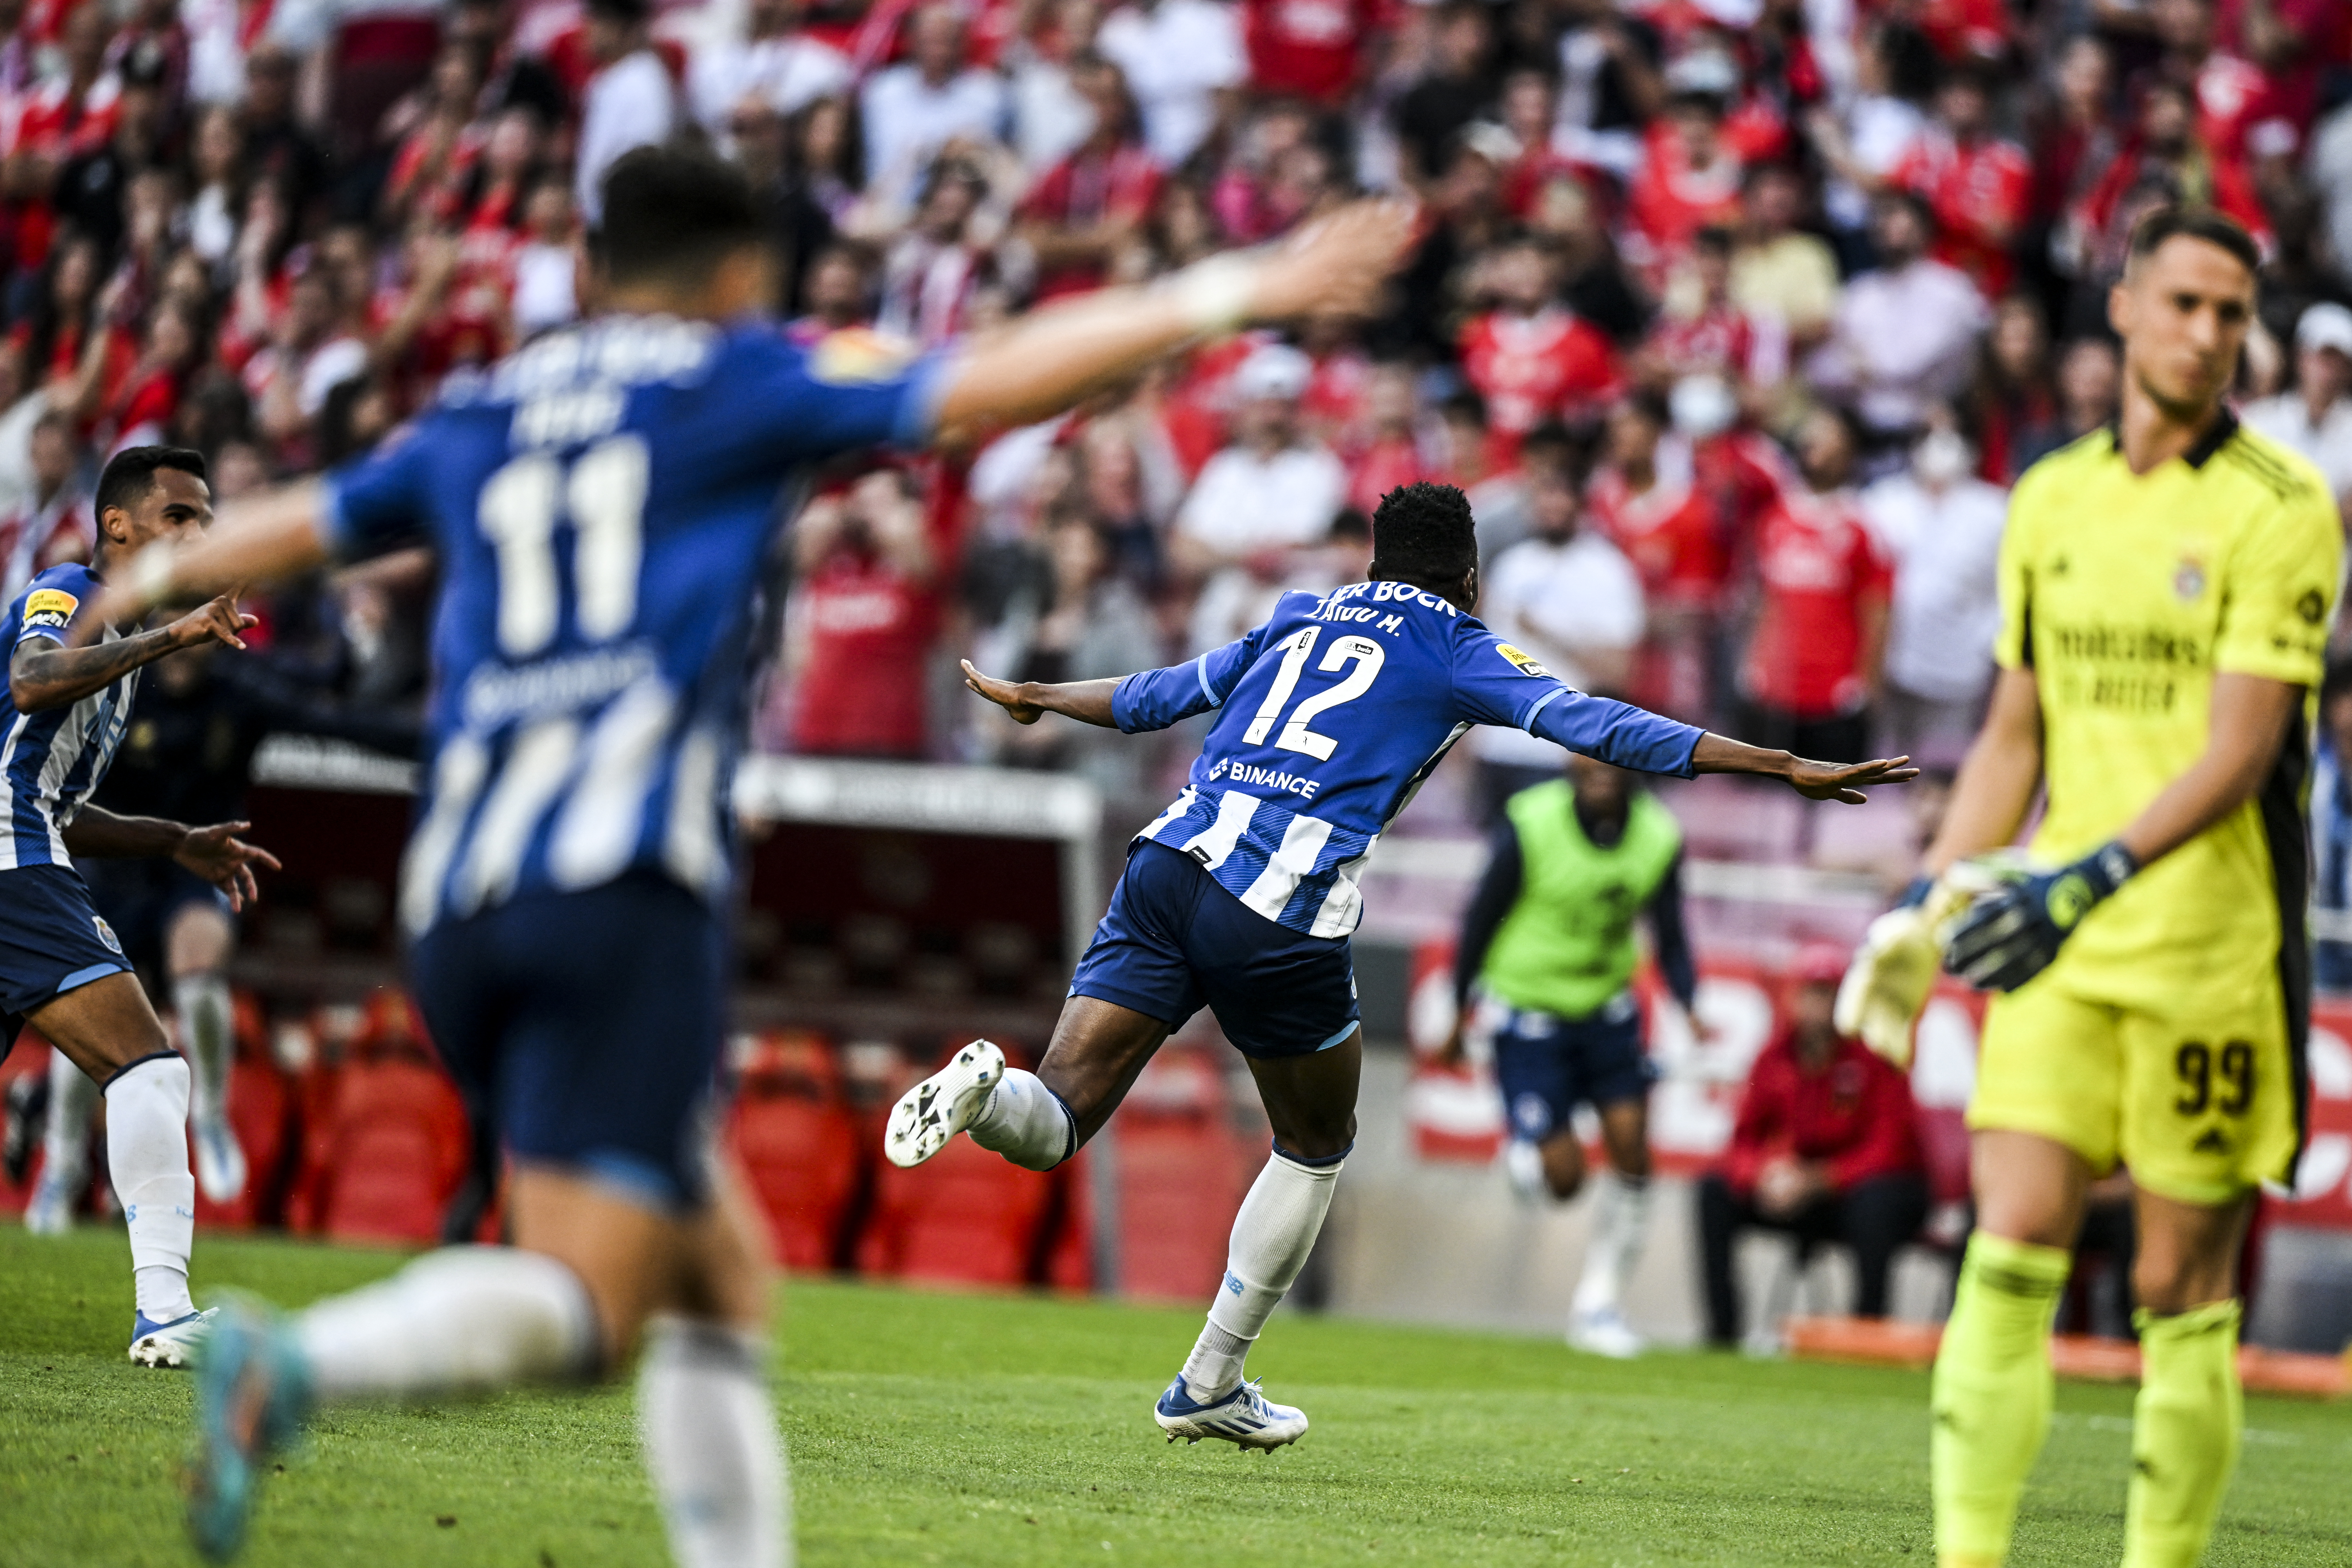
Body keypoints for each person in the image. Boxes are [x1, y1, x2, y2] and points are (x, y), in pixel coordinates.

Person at [101, 145, 1417, 1565]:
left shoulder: (482, 408)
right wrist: (1243, 284)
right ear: (742, 278)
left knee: (719, 1282)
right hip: (619, 894)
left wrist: (161, 575)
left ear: (594, 269)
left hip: (456, 900)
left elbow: (309, 523)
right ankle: (292, 1367)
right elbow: (986, 380)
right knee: (594, 1303)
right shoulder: (727, 384)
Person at [896, 479, 1916, 1451]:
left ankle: (988, 1090)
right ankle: (1209, 1381)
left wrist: (1033, 693)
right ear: (1469, 580)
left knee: (1058, 1118)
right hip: (1276, 896)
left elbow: (1158, 696)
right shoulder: (1455, 645)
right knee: (1315, 1140)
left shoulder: (1301, 614)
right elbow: (1596, 723)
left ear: (1376, 560)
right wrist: (1781, 764)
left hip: (1168, 860)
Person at [1875, 207, 2341, 1568]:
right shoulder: (2052, 497)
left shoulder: (2282, 503)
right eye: (2187, 302)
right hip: (2055, 946)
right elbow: (2015, 731)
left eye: (2232, 313)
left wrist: (2092, 872)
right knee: (2007, 1245)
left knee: (2177, 1291)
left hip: (2207, 945)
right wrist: (1932, 894)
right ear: (2125, 304)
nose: (2209, 334)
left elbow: (2244, 746)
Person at [0, 445, 276, 1365]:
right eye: (180, 516)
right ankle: (162, 1310)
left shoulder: (121, 654)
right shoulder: (73, 589)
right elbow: (32, 678)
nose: (199, 532)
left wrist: (172, 840)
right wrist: (172, 636)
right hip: (9, 857)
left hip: (27, 844)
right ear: (118, 525)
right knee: (150, 1067)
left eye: (206, 517)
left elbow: (62, 803)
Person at [1443, 750, 1699, 1358]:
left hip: (1607, 1010)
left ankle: (1600, 1305)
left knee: (1633, 1145)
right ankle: (1527, 1145)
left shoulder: (1659, 836)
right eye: (1591, 753)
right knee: (1564, 1181)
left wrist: (1689, 1001)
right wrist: (1460, 1008)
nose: (1603, 766)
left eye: (1617, 752)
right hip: (1530, 1011)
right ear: (1570, 762)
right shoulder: (1531, 820)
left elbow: (1670, 930)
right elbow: (1480, 917)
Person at [1695, 947, 1928, 1347]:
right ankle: (1723, 1332)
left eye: (1830, 994)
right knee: (1712, 1190)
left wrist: (1822, 1180)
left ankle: (1866, 1333)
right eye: (1812, 993)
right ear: (1793, 997)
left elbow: (1889, 1148)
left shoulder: (1876, 1055)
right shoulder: (1773, 1056)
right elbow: (1742, 1139)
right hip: (1799, 1188)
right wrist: (1765, 1174)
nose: (1820, 1006)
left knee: (1874, 1204)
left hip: (1856, 1190)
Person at [1465, 463, 1645, 823]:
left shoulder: (1607, 570)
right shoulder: (1510, 566)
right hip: (1498, 747)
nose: (1552, 510)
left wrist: (1548, 634)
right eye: (1544, 501)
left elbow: (1620, 670)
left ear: (1580, 507)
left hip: (1558, 749)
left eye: (1562, 500)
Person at [1862, 411, 2009, 762]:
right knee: (1878, 773)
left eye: (1951, 435)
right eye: (1930, 436)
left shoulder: (1995, 510)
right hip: (1889, 665)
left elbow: (2010, 586)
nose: (1939, 448)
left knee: (1941, 772)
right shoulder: (1880, 502)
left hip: (1959, 670)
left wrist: (1986, 644)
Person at [2240, 300, 2352, 517]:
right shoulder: (2260, 420)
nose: (2330, 371)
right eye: (2324, 357)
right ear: (2301, 356)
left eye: (2341, 361)